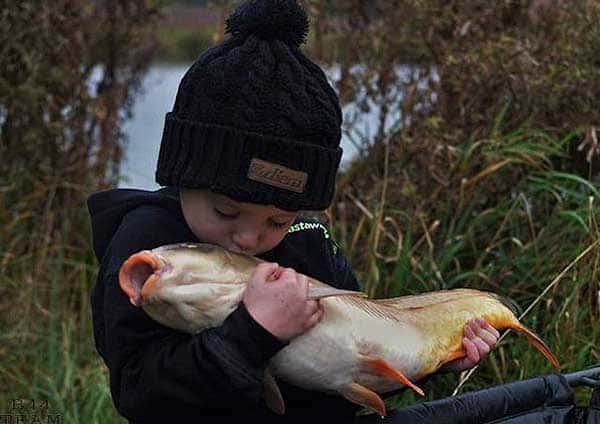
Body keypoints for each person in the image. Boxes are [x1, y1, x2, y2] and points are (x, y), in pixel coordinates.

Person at [87, 1, 499, 422]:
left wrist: (430, 358)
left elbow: (348, 382)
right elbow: (142, 395)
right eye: (227, 211)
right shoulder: (146, 245)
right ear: (184, 177)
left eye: (277, 220)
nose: (249, 237)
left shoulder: (307, 242)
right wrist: (251, 335)